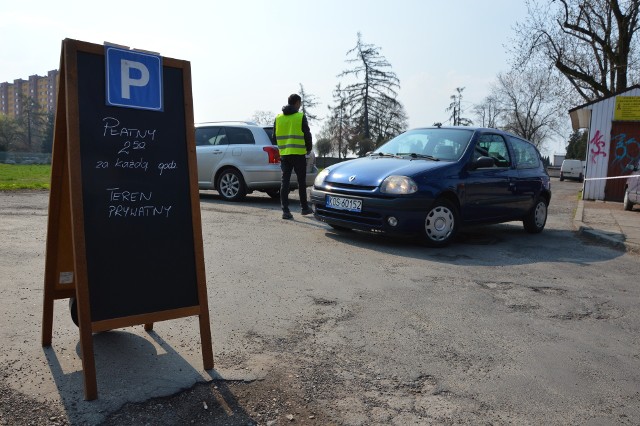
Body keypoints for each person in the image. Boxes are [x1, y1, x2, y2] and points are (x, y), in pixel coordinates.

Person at [272, 94, 313, 219]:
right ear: (296, 103)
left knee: (285, 182)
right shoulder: (300, 117)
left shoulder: (278, 118)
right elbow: (307, 134)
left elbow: (274, 138)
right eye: (299, 103)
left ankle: (285, 211)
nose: (300, 106)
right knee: (301, 182)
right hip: (299, 154)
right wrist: (309, 148)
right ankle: (304, 208)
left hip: (284, 154)